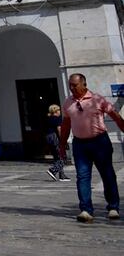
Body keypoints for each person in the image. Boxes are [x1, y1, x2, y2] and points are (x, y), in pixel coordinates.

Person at [58, 73, 124, 223]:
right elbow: (66, 124)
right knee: (82, 176)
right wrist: (62, 145)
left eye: (75, 85)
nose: (72, 88)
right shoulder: (68, 103)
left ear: (84, 84)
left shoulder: (97, 99)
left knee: (107, 175)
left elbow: (115, 115)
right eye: (70, 85)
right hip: (80, 144)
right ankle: (86, 210)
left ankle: (113, 207)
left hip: (100, 141)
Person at [45, 104, 68, 182]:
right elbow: (59, 129)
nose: (60, 112)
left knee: (56, 157)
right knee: (63, 156)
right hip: (54, 137)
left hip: (48, 137)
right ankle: (53, 170)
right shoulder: (57, 118)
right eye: (58, 110)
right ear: (55, 111)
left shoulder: (48, 118)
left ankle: (62, 175)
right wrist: (63, 140)